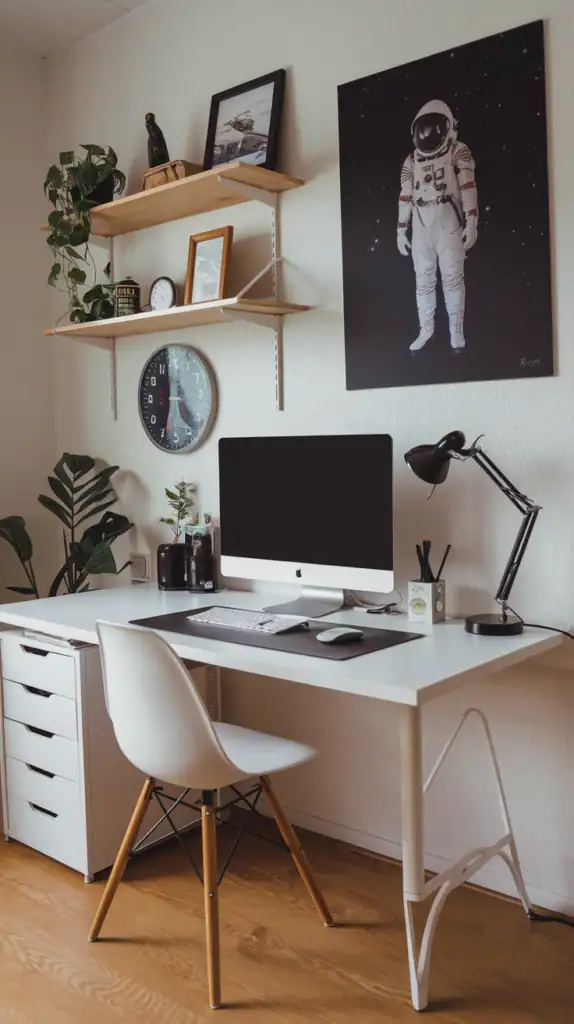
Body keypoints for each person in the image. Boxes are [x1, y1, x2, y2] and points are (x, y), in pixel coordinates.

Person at [397, 99, 478, 352]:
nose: (428, 133)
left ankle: (456, 332)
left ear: (448, 128)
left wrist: (472, 220)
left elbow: (467, 188)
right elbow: (405, 196)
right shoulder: (411, 161)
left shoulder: (457, 151)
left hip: (449, 226)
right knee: (423, 282)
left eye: (434, 127)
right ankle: (426, 330)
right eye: (424, 128)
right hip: (422, 228)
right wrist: (401, 229)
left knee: (453, 280)